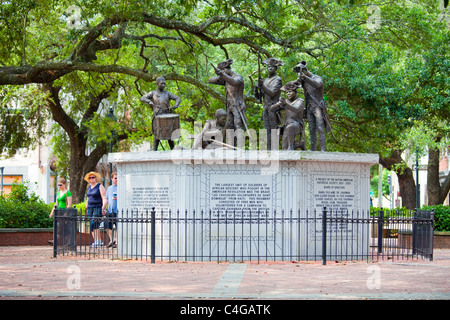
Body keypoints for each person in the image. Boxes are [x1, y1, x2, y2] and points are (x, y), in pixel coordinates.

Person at [209, 59, 248, 149]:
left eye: (223, 70)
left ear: (227, 69)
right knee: (230, 126)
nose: (222, 72)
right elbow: (210, 80)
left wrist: (222, 74)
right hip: (229, 106)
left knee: (237, 126)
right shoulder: (226, 79)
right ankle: (231, 147)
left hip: (237, 106)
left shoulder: (238, 77)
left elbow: (233, 82)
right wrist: (219, 75)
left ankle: (239, 147)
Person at [294, 60, 330, 151]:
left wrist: (305, 77)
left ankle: (323, 149)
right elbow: (295, 85)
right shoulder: (304, 80)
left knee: (320, 127)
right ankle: (312, 149)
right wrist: (299, 80)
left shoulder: (317, 78)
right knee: (311, 128)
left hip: (318, 106)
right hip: (309, 107)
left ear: (306, 70)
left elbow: (317, 85)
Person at [140, 76, 181, 151]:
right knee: (157, 134)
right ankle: (154, 151)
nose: (163, 85)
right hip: (157, 116)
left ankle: (173, 151)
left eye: (164, 84)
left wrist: (176, 105)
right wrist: (149, 101)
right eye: (162, 84)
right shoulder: (152, 93)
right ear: (157, 83)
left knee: (169, 133)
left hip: (167, 116)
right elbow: (142, 98)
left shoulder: (167, 93)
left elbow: (177, 98)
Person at [256, 57, 284, 150]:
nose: (270, 68)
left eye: (272, 67)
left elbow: (272, 93)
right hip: (266, 107)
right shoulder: (265, 80)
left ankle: (274, 149)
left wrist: (263, 85)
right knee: (267, 129)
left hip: (274, 107)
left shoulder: (277, 79)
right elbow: (259, 96)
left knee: (273, 129)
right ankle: (268, 149)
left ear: (276, 68)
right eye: (268, 67)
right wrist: (257, 88)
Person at [270, 81, 305, 150]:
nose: (288, 94)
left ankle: (291, 146)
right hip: (286, 126)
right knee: (284, 147)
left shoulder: (300, 101)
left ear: (295, 92)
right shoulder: (286, 101)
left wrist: (286, 104)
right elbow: (271, 109)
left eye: (290, 91)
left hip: (297, 124)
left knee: (290, 127)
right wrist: (279, 104)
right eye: (286, 92)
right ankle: (296, 146)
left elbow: (296, 109)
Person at [84, 171, 107, 248]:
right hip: (90, 207)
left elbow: (104, 197)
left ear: (96, 178)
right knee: (92, 225)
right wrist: (86, 207)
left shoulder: (100, 186)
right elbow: (88, 197)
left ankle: (98, 240)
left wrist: (103, 207)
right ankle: (96, 241)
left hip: (97, 207)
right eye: (90, 178)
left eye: (93, 177)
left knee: (94, 223)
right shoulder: (89, 187)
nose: (91, 179)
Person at [105, 172, 118, 248]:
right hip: (110, 210)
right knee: (107, 226)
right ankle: (112, 240)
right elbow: (106, 199)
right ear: (112, 179)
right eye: (115, 178)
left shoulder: (121, 187)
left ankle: (117, 241)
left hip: (118, 210)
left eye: (118, 178)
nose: (117, 179)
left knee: (118, 226)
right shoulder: (109, 188)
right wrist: (104, 207)